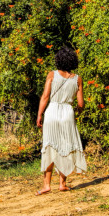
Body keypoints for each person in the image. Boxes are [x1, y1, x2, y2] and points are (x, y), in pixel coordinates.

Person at [35, 46, 86, 194]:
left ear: (58, 60)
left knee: (49, 146)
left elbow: (45, 97)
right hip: (67, 112)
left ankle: (46, 185)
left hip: (52, 111)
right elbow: (81, 103)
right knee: (66, 146)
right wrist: (77, 111)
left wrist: (39, 115)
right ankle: (62, 183)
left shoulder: (52, 75)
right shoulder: (77, 79)